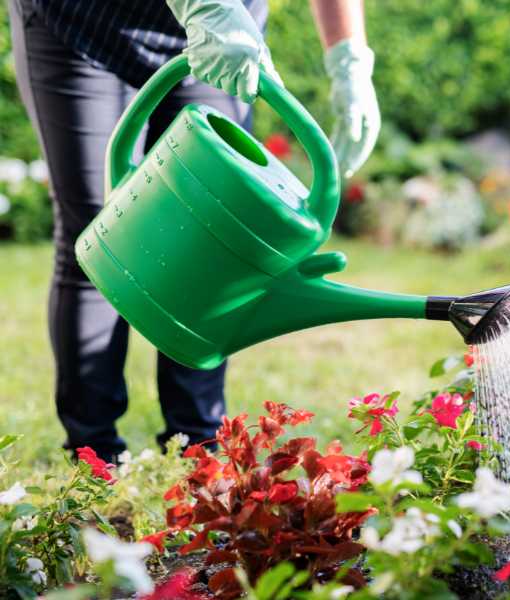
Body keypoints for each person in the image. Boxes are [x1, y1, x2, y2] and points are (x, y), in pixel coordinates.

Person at [8, 0, 380, 462]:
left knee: (218, 240)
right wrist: (206, 7)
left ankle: (198, 450)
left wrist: (349, 61)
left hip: (226, 30)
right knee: (100, 234)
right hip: (84, 23)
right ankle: (93, 456)